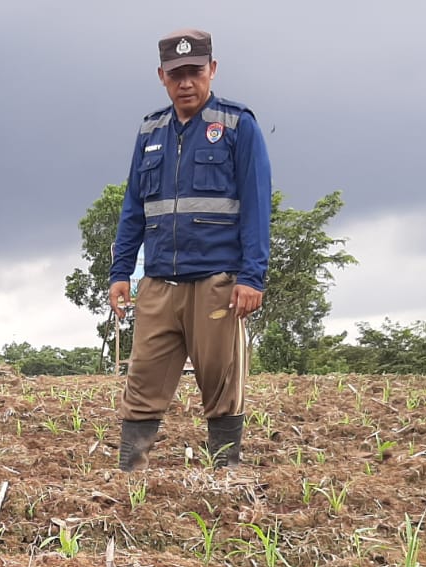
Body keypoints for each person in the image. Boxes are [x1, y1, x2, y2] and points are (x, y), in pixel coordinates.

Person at [109, 28, 272, 470]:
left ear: (212, 70)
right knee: (141, 381)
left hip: (217, 283)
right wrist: (120, 271)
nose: (186, 83)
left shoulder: (239, 126)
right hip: (159, 283)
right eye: (176, 74)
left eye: (195, 72)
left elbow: (257, 206)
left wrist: (252, 277)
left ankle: (226, 475)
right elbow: (133, 208)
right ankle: (130, 478)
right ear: (162, 76)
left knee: (221, 385)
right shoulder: (150, 131)